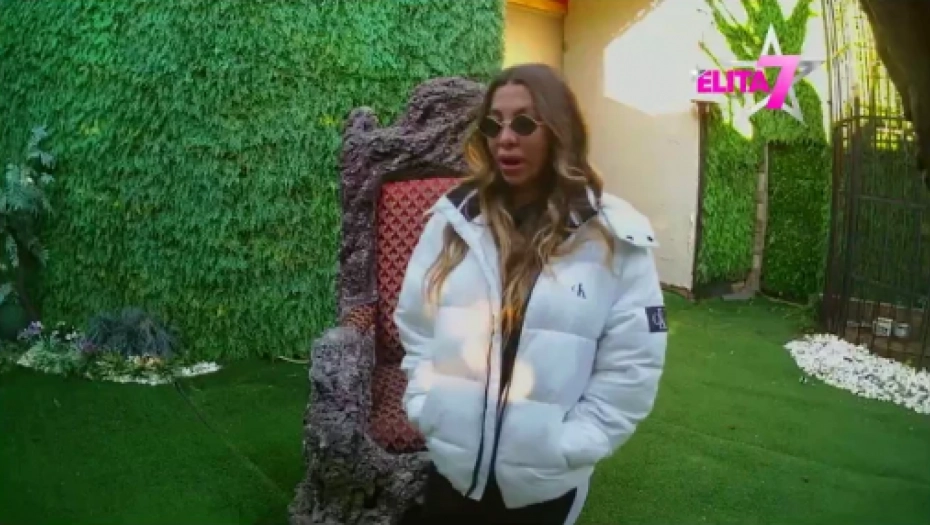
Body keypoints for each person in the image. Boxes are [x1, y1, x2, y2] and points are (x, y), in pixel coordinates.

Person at [393, 63, 668, 525]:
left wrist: (570, 445)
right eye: (493, 125)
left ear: (560, 131)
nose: (505, 139)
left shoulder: (613, 237)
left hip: (543, 486)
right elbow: (417, 323)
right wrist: (428, 407)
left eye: (523, 123)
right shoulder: (453, 221)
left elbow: (633, 365)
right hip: (453, 472)